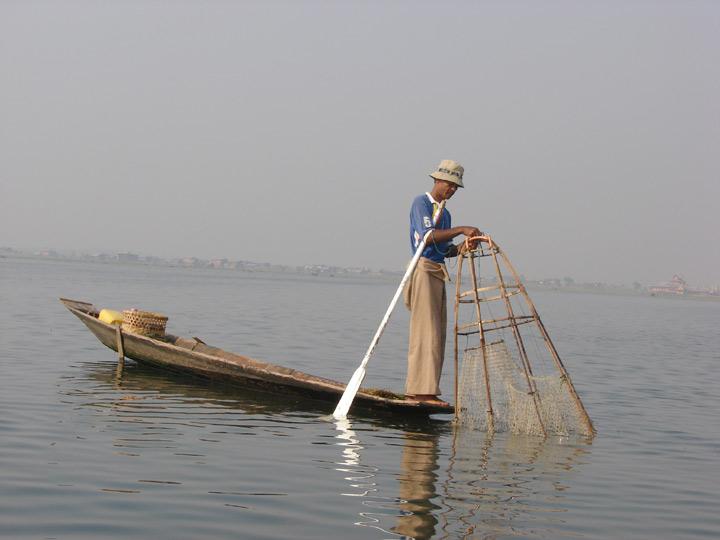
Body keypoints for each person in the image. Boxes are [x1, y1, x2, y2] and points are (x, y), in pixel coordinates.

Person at [403, 159, 482, 405]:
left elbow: (445, 250)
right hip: (423, 270)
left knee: (437, 334)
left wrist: (464, 246)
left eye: (456, 187)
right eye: (449, 184)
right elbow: (428, 237)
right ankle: (419, 391)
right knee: (425, 332)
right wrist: (461, 229)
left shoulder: (445, 213)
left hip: (437, 272)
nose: (452, 190)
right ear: (437, 180)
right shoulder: (422, 203)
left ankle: (427, 389)